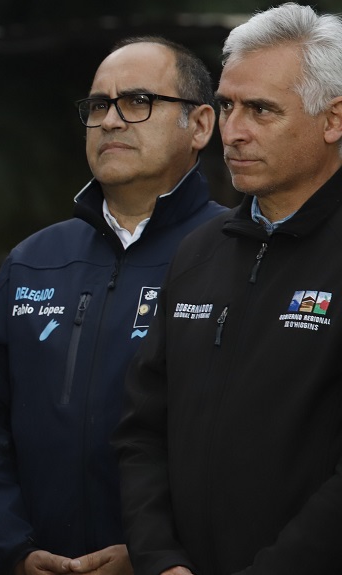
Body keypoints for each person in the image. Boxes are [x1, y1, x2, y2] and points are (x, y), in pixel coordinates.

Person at [0, 37, 224, 575]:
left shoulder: (235, 255)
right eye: (98, 105)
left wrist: (155, 552)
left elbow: (255, 446)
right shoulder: (35, 260)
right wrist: (15, 549)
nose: (111, 121)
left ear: (201, 124)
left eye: (138, 101)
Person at [115, 5, 342, 575]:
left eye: (261, 110)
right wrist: (160, 558)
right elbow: (143, 430)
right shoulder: (199, 252)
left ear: (334, 118)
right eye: (227, 106)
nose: (233, 131)